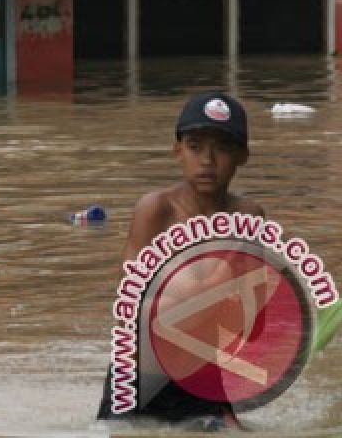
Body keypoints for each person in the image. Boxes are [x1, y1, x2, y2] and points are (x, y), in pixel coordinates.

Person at [97, 91, 264, 427]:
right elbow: (130, 302)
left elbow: (253, 316)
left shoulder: (249, 217)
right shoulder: (156, 211)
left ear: (242, 156)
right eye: (195, 146)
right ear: (178, 151)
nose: (208, 160)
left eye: (222, 148)